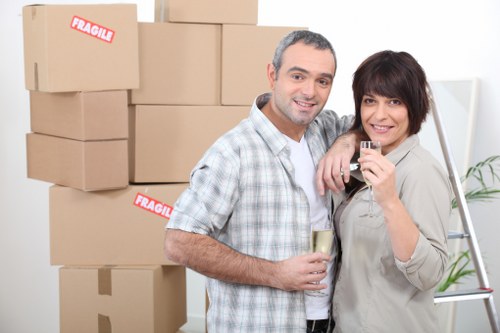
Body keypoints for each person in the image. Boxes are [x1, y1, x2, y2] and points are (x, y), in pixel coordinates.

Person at [164, 30, 355, 333]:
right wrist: (275, 273)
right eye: (297, 76)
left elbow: (366, 124)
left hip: (324, 321)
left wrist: (346, 143)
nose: (310, 91)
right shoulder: (233, 153)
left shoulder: (323, 130)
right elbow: (178, 242)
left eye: (323, 81)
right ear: (272, 75)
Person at [320, 50, 452, 332]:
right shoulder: (365, 164)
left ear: (414, 107)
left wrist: (390, 201)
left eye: (394, 101)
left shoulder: (421, 172)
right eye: (370, 101)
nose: (379, 115)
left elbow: (431, 273)